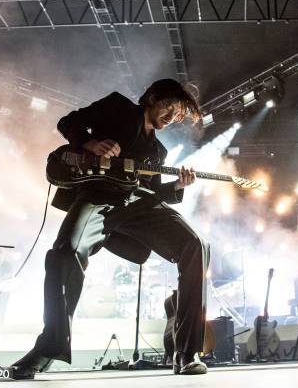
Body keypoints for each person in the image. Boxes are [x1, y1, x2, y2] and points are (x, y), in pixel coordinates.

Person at [12, 79, 210, 378]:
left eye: (178, 115)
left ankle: (186, 352)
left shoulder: (158, 152)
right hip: (99, 196)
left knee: (196, 245)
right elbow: (69, 122)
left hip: (138, 203)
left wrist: (178, 186)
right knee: (65, 252)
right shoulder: (119, 107)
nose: (171, 117)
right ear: (152, 98)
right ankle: (48, 347)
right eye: (169, 107)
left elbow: (153, 192)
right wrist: (89, 142)